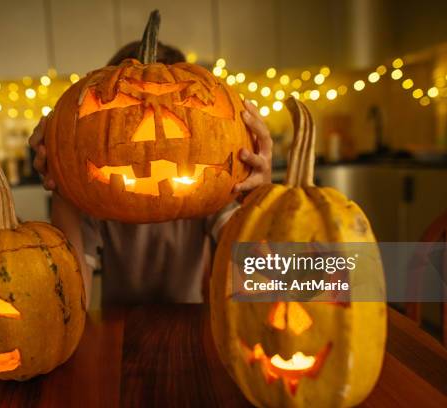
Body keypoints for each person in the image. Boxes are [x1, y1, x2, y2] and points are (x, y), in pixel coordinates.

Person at [29, 42, 272, 307]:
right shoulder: (94, 197)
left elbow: (272, 288)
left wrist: (261, 197)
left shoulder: (211, 186)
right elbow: (70, 306)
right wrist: (62, 178)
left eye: (186, 106)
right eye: (122, 108)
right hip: (117, 332)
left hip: (191, 323)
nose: (156, 137)